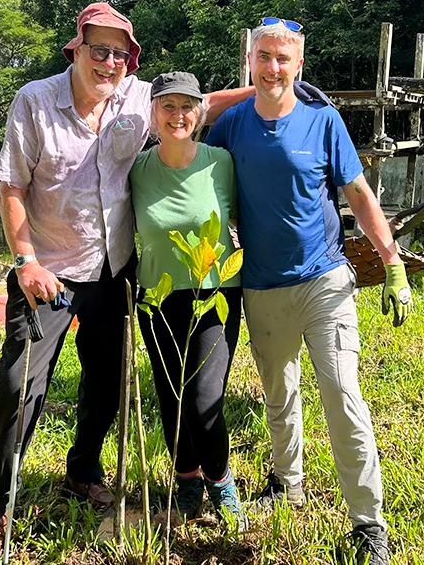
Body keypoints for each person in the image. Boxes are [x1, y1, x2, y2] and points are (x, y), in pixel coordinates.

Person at [0, 3, 251, 565]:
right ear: (76, 48)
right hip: (47, 272)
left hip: (113, 271)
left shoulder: (137, 99)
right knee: (22, 385)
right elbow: (12, 187)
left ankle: (83, 471)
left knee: (105, 384)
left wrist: (276, 88)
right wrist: (26, 260)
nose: (110, 62)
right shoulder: (35, 102)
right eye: (99, 50)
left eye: (121, 54)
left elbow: (197, 105)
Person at [205, 17, 414, 565]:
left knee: (343, 397)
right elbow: (181, 118)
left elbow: (359, 193)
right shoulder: (231, 126)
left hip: (325, 280)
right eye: (264, 56)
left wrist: (391, 261)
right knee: (279, 393)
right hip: (262, 287)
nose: (274, 67)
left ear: (300, 65)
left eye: (284, 59)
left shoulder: (324, 121)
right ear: (250, 62)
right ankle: (286, 481)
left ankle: (369, 524)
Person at [129, 72, 242, 523]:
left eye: (187, 107)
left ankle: (221, 480)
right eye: (167, 106)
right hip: (156, 299)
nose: (178, 115)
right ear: (153, 114)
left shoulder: (221, 163)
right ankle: (187, 479)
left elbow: (250, 219)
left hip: (215, 294)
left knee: (202, 397)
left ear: (201, 114)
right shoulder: (136, 170)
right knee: (170, 396)